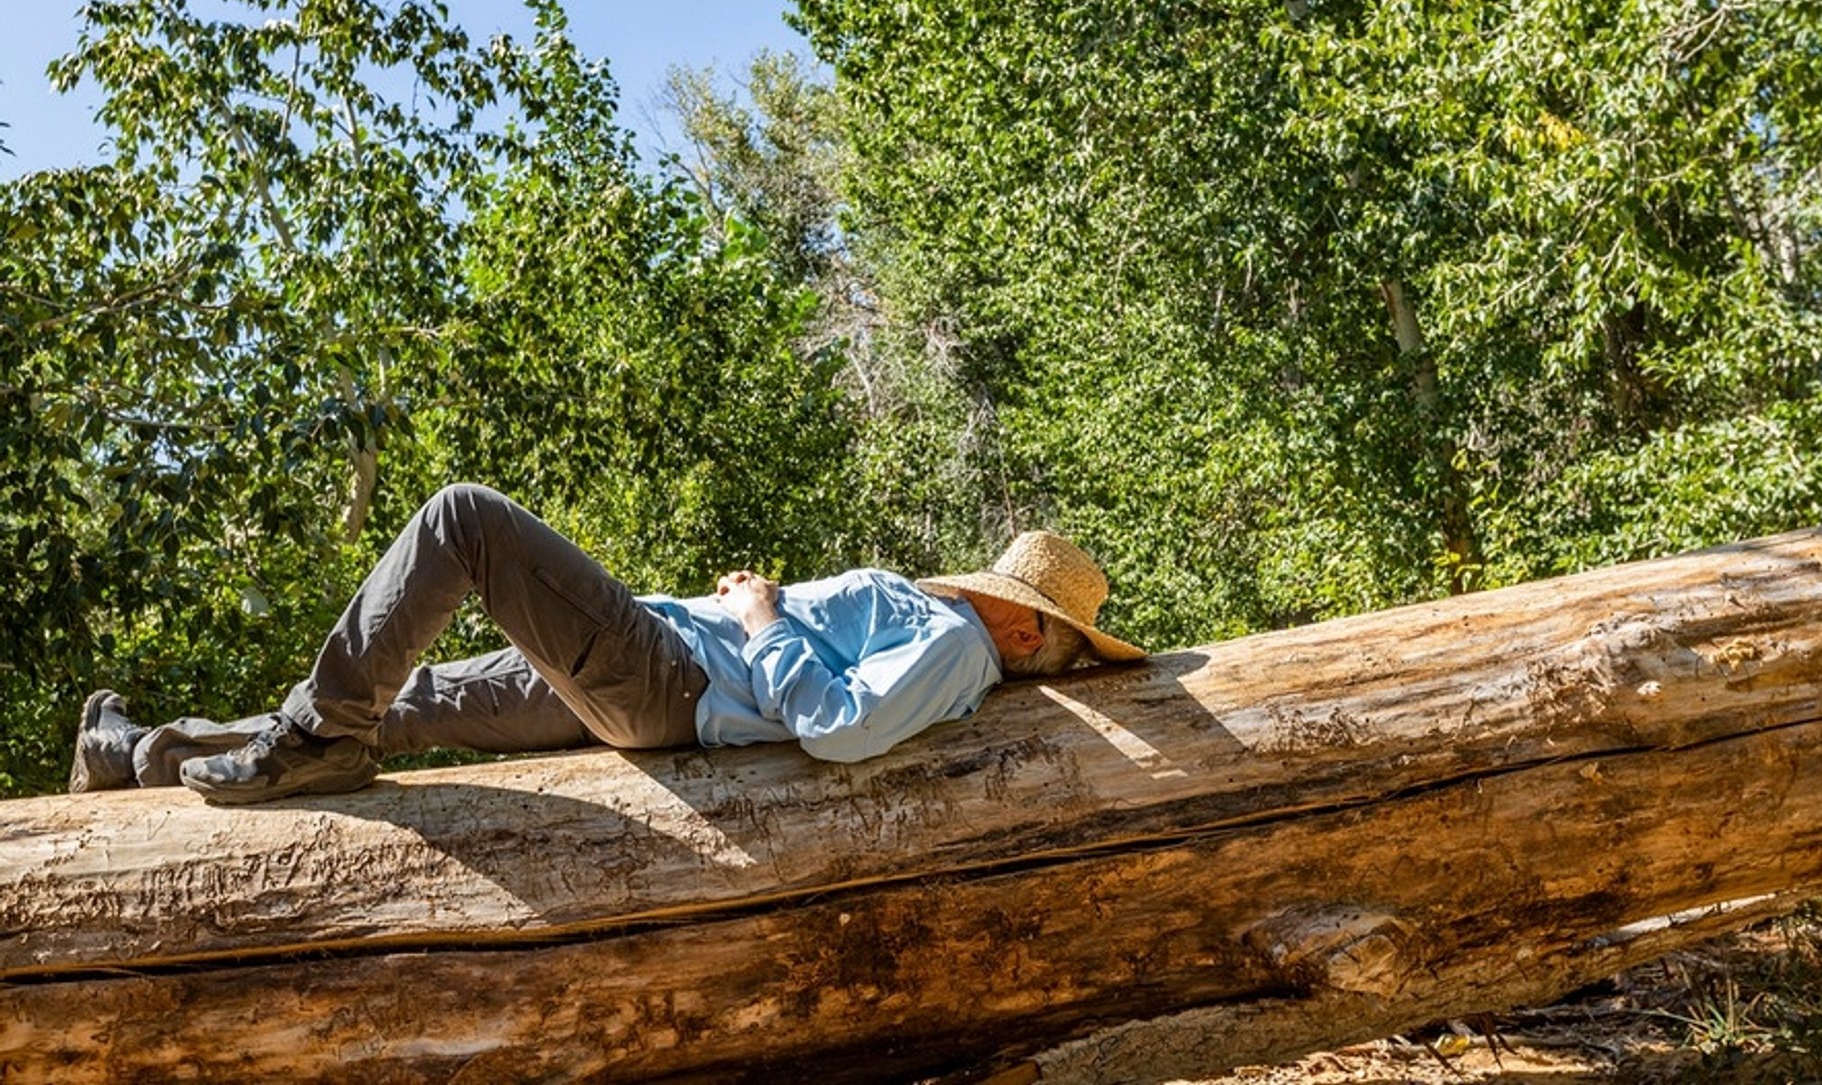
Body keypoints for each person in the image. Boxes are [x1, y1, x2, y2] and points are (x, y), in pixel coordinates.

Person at [69, 483, 1144, 804]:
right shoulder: (954, 631)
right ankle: (137, 757)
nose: (978, 591)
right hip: (651, 667)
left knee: (464, 523)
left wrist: (764, 617)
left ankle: (309, 741)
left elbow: (841, 727)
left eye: (1002, 595)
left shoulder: (956, 644)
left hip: (661, 681)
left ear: (1021, 625)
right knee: (413, 693)